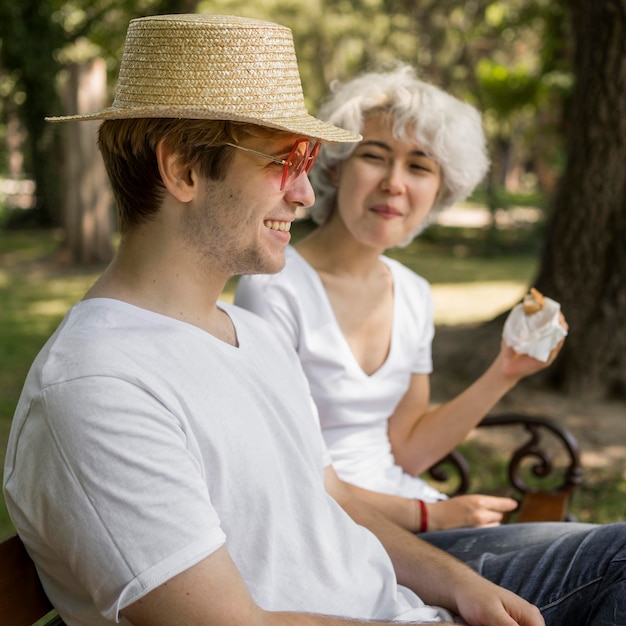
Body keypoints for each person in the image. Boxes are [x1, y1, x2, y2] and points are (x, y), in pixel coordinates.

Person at [3, 14, 624, 626]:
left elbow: (328, 499)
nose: (305, 192)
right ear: (183, 168)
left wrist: (462, 584)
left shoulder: (252, 334)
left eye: (310, 160)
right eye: (284, 160)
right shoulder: (98, 389)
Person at [234, 65, 570, 536]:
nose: (395, 182)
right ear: (334, 167)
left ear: (439, 191)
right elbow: (284, 471)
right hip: (329, 531)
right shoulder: (274, 287)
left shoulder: (414, 293)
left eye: (419, 166)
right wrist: (431, 516)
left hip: (412, 514)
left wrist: (505, 372)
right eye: (375, 156)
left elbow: (408, 452)